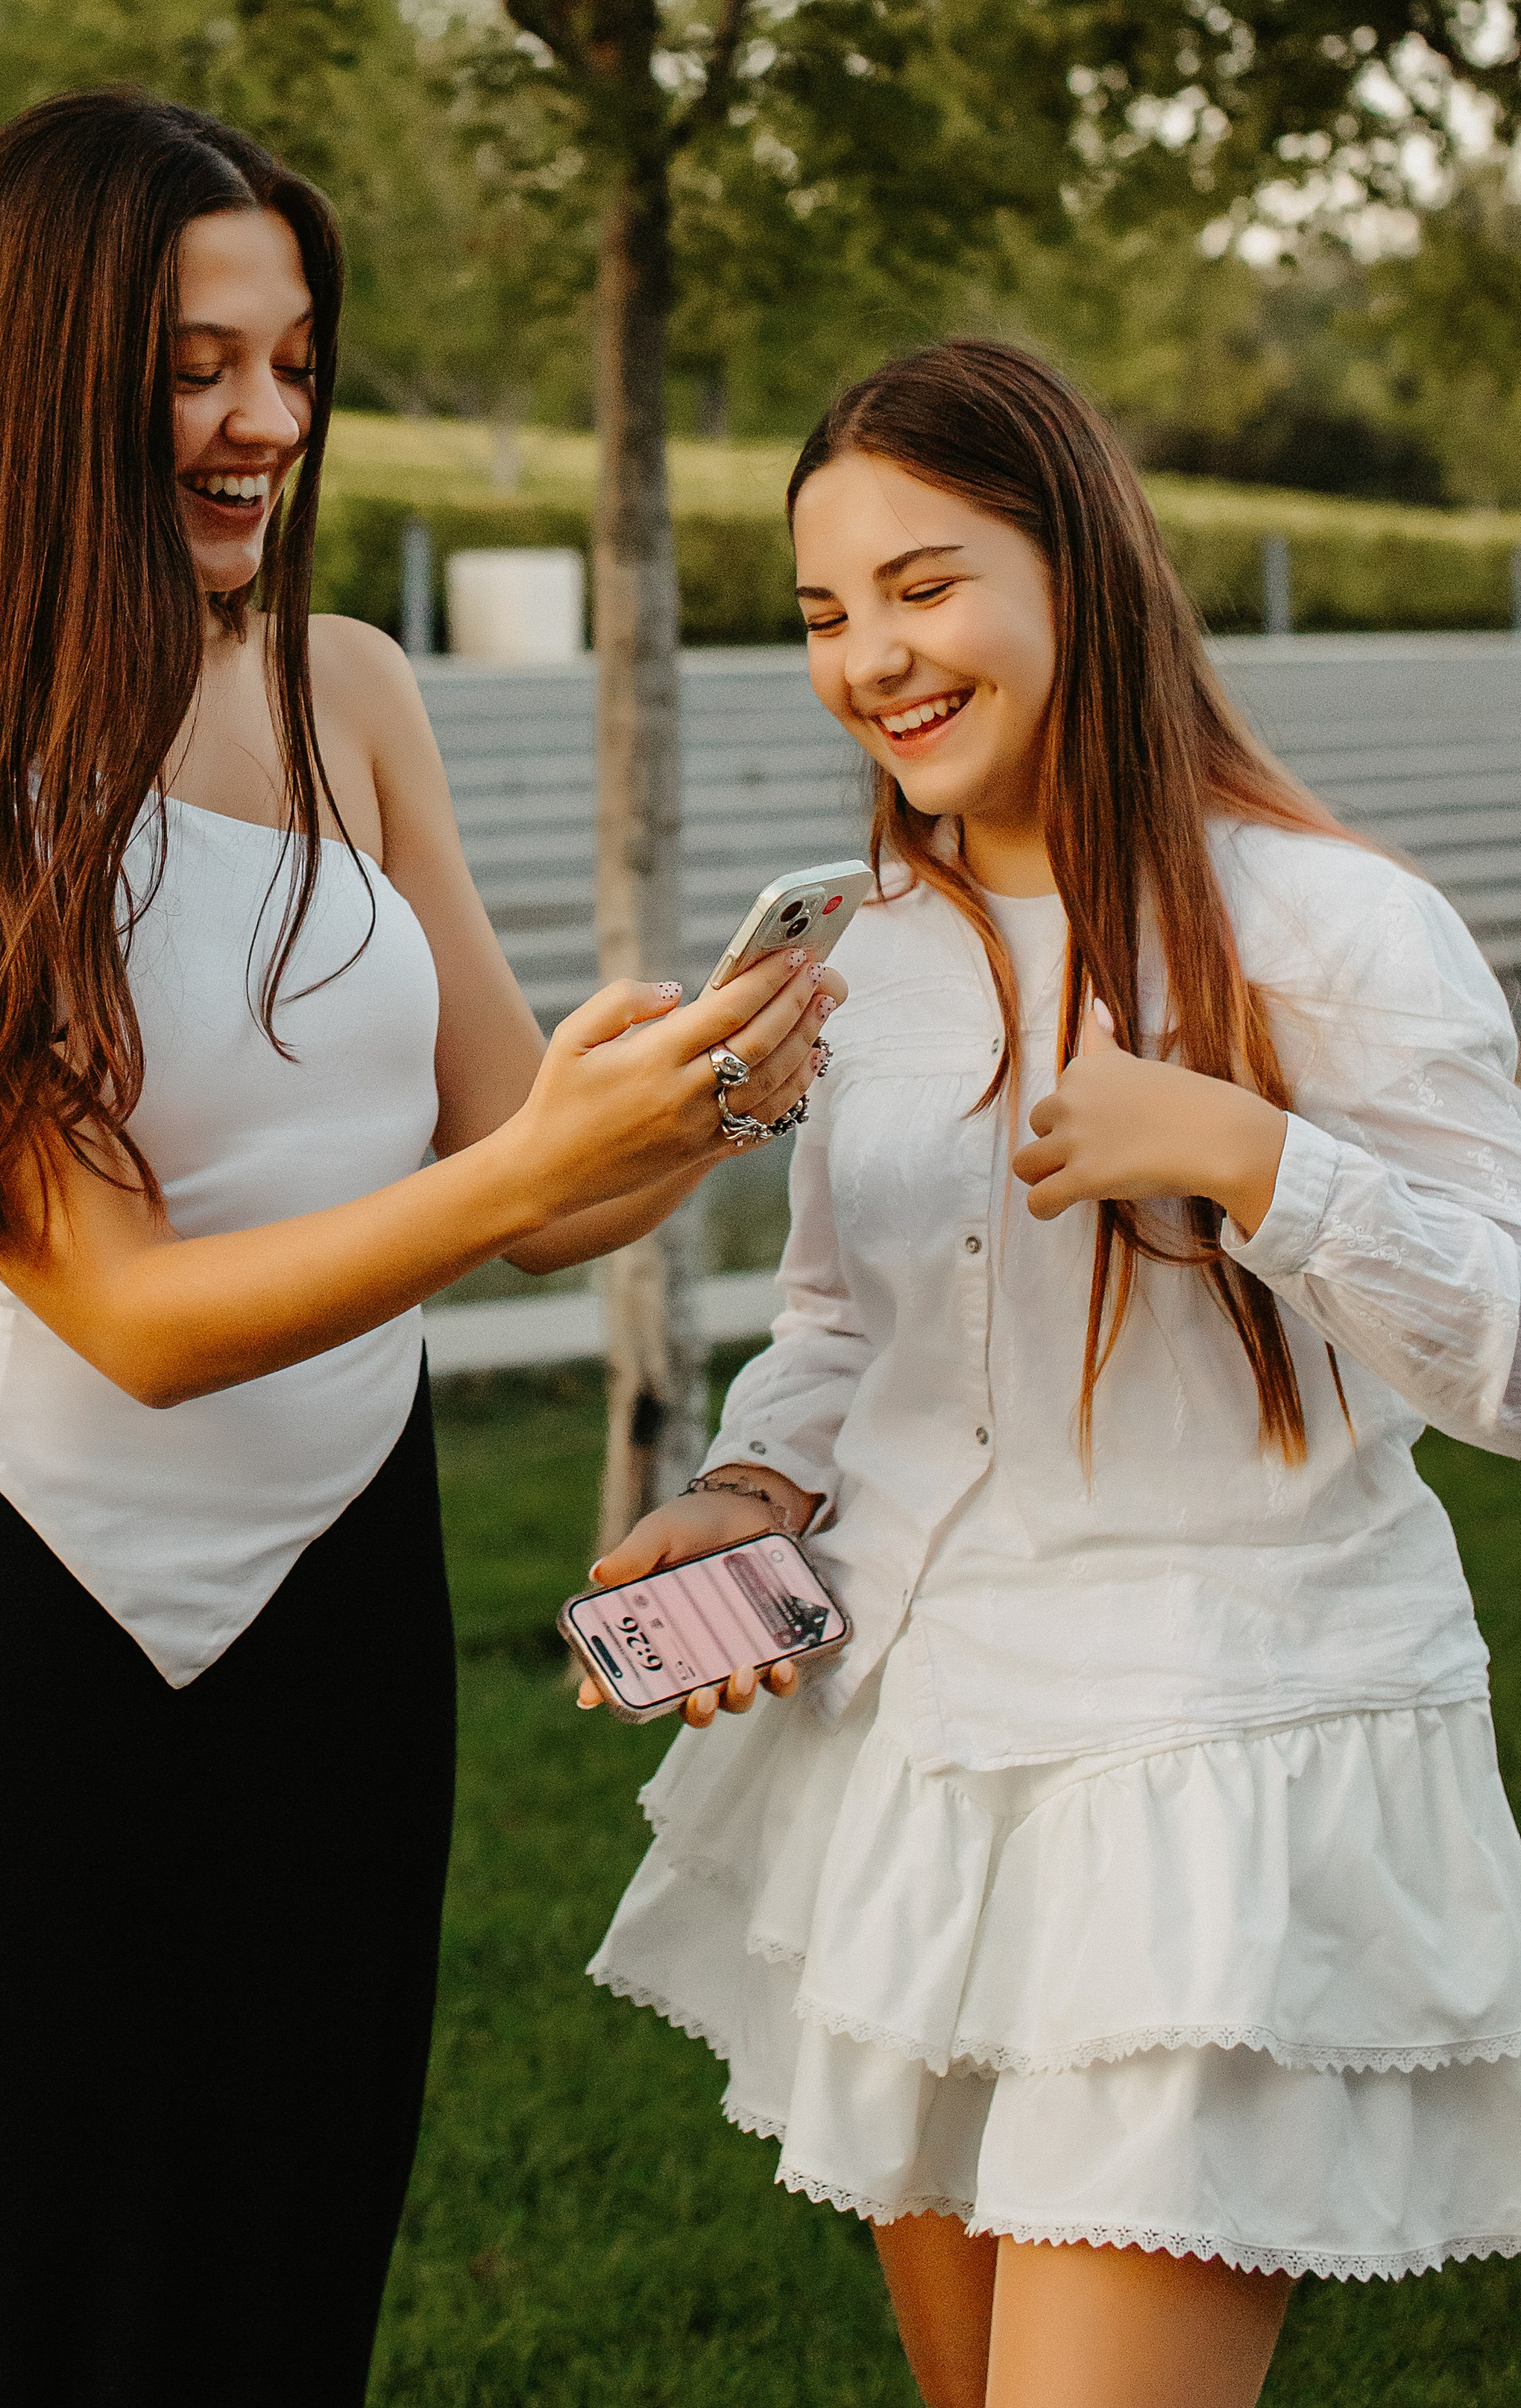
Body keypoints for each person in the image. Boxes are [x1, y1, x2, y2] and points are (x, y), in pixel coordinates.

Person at [0, 87, 838, 2407]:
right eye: (195, 368)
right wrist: (538, 1172)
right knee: (29, 2301)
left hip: (350, 1598)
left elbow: (531, 1171)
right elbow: (132, 1313)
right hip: (37, 1628)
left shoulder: (353, 690)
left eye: (297, 362)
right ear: (40, 389)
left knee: (288, 2269)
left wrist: (726, 1079)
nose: (265, 423)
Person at [582, 339, 1521, 2408]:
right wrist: (747, 1498)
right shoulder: (872, 952)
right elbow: (842, 1325)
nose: (871, 658)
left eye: (926, 586)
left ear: (1080, 570)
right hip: (917, 1773)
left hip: (1210, 1783)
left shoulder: (1333, 929)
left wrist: (1260, 1163)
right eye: (827, 612)